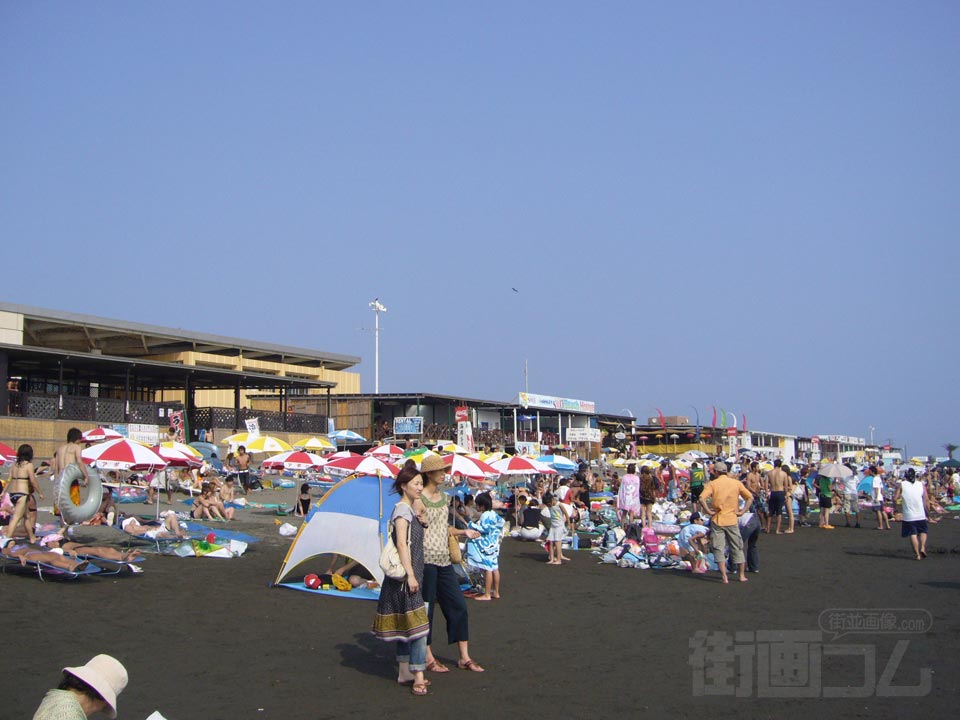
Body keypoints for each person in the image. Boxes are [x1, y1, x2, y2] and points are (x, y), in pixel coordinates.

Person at [418, 454, 484, 674]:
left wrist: (463, 531)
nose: (444, 474)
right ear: (429, 473)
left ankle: (464, 656)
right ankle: (427, 656)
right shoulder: (417, 498)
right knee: (426, 610)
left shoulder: (445, 498)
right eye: (440, 471)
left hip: (444, 559)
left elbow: (444, 529)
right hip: (425, 560)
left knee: (458, 606)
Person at [371, 461, 431, 695]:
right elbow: (401, 545)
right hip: (407, 577)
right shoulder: (401, 511)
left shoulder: (409, 509)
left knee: (406, 623)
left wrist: (421, 519)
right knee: (418, 627)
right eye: (416, 484)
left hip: (410, 575)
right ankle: (418, 675)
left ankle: (404, 670)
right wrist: (411, 575)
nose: (419, 487)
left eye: (420, 483)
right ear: (404, 486)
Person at [699, 462, 753, 584]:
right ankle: (741, 575)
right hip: (732, 518)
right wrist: (742, 511)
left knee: (719, 548)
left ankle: (724, 576)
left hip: (718, 519)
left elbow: (701, 498)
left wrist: (708, 511)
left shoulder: (712, 484)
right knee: (737, 547)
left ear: (716, 472)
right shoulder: (736, 483)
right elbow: (750, 497)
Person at [32, 653, 128, 719]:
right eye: (104, 706)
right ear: (101, 698)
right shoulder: (68, 713)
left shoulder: (54, 700)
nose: (98, 710)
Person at [465, 492, 505, 600]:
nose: (476, 507)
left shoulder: (485, 515)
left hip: (487, 545)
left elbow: (483, 529)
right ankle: (496, 592)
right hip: (494, 543)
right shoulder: (493, 513)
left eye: (477, 505)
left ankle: (487, 594)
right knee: (495, 568)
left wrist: (471, 524)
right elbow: (502, 522)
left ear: (482, 505)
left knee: (487, 569)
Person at [3, 444, 43, 543]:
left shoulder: (14, 465)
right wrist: (40, 492)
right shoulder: (28, 465)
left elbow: (9, 479)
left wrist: (3, 492)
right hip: (22, 494)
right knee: (16, 518)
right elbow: (33, 481)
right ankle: (6, 540)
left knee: (27, 516)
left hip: (13, 494)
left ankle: (32, 538)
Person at [51, 428, 89, 514]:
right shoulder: (76, 447)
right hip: (70, 478)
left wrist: (56, 483)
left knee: (61, 506)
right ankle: (66, 527)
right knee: (73, 505)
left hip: (61, 478)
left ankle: (63, 525)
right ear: (77, 438)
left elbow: (56, 468)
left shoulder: (60, 449)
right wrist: (86, 476)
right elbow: (79, 462)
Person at [893, 468, 928, 560]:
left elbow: (895, 498)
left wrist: (895, 509)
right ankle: (923, 547)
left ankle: (917, 555)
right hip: (920, 513)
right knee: (923, 531)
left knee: (913, 534)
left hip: (909, 515)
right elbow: (926, 500)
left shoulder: (902, 484)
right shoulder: (921, 484)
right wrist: (927, 512)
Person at [544, 492, 569, 565]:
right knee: (551, 542)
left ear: (552, 500)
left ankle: (559, 559)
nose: (549, 505)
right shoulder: (549, 506)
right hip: (553, 526)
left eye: (549, 503)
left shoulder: (559, 504)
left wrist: (569, 524)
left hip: (559, 526)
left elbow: (566, 514)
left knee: (558, 543)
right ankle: (551, 559)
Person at [764, 460, 788, 535]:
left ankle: (768, 529)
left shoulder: (769, 473)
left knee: (770, 511)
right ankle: (777, 530)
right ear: (780, 465)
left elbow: (766, 484)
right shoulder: (783, 473)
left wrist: (766, 493)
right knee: (779, 512)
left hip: (772, 492)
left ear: (774, 464)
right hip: (780, 492)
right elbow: (786, 486)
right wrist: (786, 494)